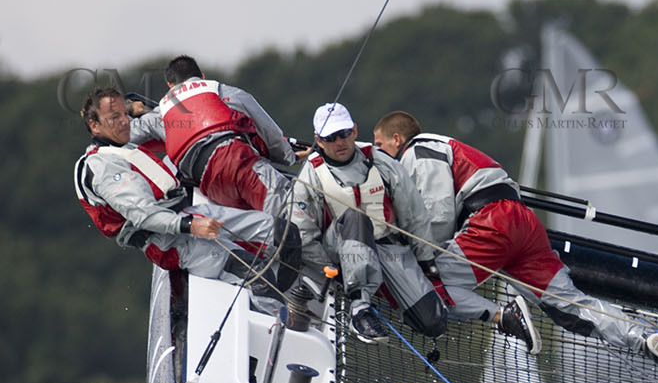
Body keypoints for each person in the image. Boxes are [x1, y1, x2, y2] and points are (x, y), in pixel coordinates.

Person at [370, 110, 658, 383]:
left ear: (397, 140)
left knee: (422, 289)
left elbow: (438, 210)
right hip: (522, 223)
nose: (379, 152)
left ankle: (504, 315)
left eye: (380, 145)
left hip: (491, 221)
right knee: (570, 306)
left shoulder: (419, 150)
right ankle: (643, 338)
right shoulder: (448, 148)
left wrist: (419, 255)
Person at [74, 87, 297, 290]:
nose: (125, 121)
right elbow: (143, 215)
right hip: (167, 239)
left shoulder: (125, 145)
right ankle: (288, 316)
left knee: (285, 234)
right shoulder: (101, 165)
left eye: (125, 114)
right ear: (94, 125)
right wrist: (191, 226)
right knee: (259, 277)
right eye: (115, 118)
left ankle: (302, 294)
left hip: (187, 214)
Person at [292, 103, 446, 344]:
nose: (340, 142)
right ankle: (360, 308)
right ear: (318, 141)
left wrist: (426, 259)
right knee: (356, 217)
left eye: (344, 133)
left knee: (434, 322)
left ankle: (383, 296)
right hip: (339, 252)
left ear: (354, 130)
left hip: (387, 248)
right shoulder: (310, 175)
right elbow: (303, 232)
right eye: (330, 137)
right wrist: (328, 270)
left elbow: (414, 213)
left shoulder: (380, 161)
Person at [127, 55, 296, 215]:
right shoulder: (221, 91)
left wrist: (130, 110)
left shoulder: (160, 112)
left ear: (170, 85)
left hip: (211, 187)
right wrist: (289, 156)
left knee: (262, 235)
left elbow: (124, 134)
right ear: (202, 76)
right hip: (237, 163)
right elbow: (268, 131)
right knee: (292, 214)